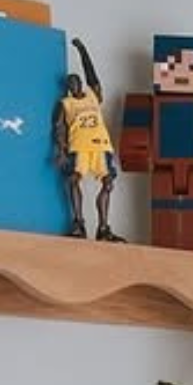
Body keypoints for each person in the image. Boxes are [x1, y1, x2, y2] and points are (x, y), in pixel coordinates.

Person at [55, 36, 119, 239]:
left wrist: (82, 50)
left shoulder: (93, 95)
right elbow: (59, 128)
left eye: (76, 83)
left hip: (101, 145)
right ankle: (79, 224)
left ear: (81, 84)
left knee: (108, 182)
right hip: (79, 146)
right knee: (73, 180)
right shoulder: (65, 103)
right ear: (68, 88)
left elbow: (92, 75)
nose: (73, 86)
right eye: (70, 84)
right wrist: (61, 150)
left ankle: (103, 228)